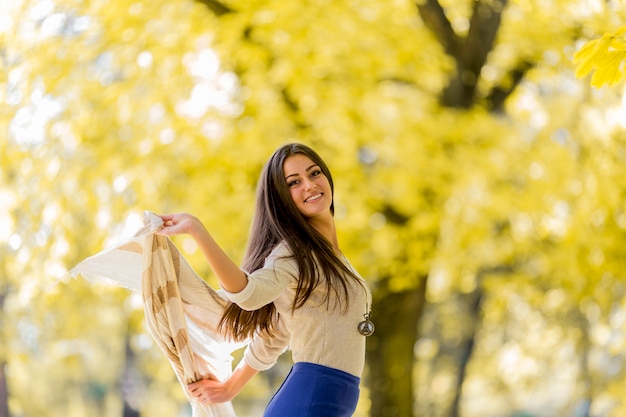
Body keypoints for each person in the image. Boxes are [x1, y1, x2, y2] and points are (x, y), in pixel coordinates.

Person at [156, 143, 374, 416]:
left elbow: (277, 333)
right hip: (311, 398)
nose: (309, 185)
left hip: (329, 398)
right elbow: (249, 294)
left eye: (314, 173)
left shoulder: (332, 257)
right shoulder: (293, 253)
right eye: (294, 182)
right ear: (282, 198)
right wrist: (197, 230)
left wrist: (230, 388)